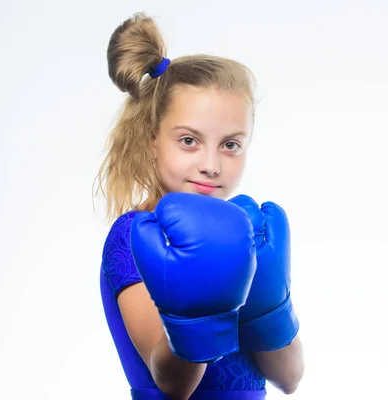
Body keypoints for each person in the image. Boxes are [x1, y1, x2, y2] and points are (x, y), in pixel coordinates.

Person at [94, 12, 304, 400]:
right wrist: (200, 301)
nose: (211, 164)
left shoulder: (245, 234)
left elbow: (289, 378)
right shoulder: (133, 235)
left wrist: (270, 307)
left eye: (230, 144)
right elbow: (173, 384)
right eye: (189, 140)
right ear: (153, 140)